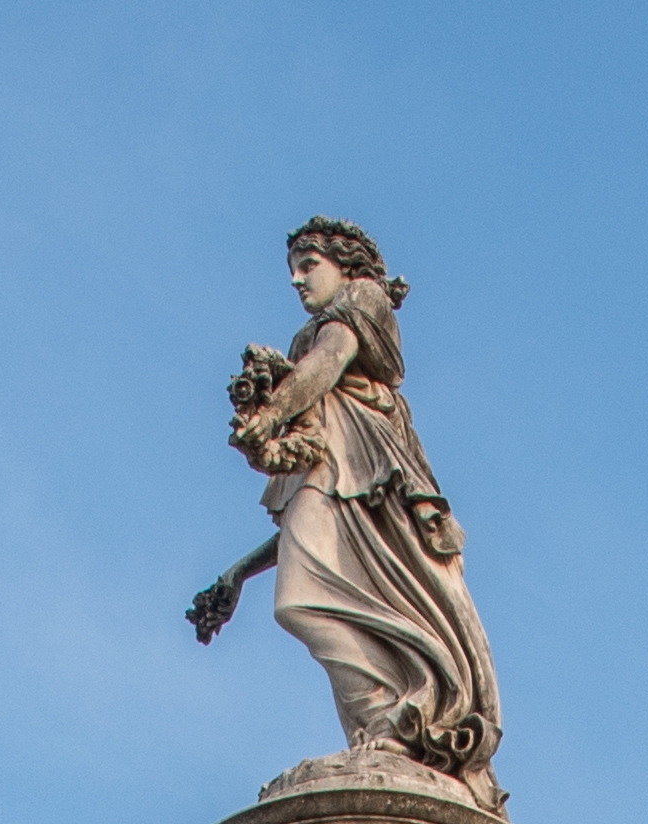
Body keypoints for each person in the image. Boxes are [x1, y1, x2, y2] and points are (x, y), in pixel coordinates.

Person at [182, 219, 504, 782]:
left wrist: (270, 413)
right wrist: (238, 573)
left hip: (372, 467)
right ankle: (384, 725)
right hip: (344, 471)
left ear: (346, 266)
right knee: (307, 601)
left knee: (298, 602)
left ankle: (395, 721)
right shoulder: (319, 402)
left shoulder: (360, 300)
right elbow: (312, 520)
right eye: (293, 271)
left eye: (309, 266)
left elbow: (328, 361)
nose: (297, 280)